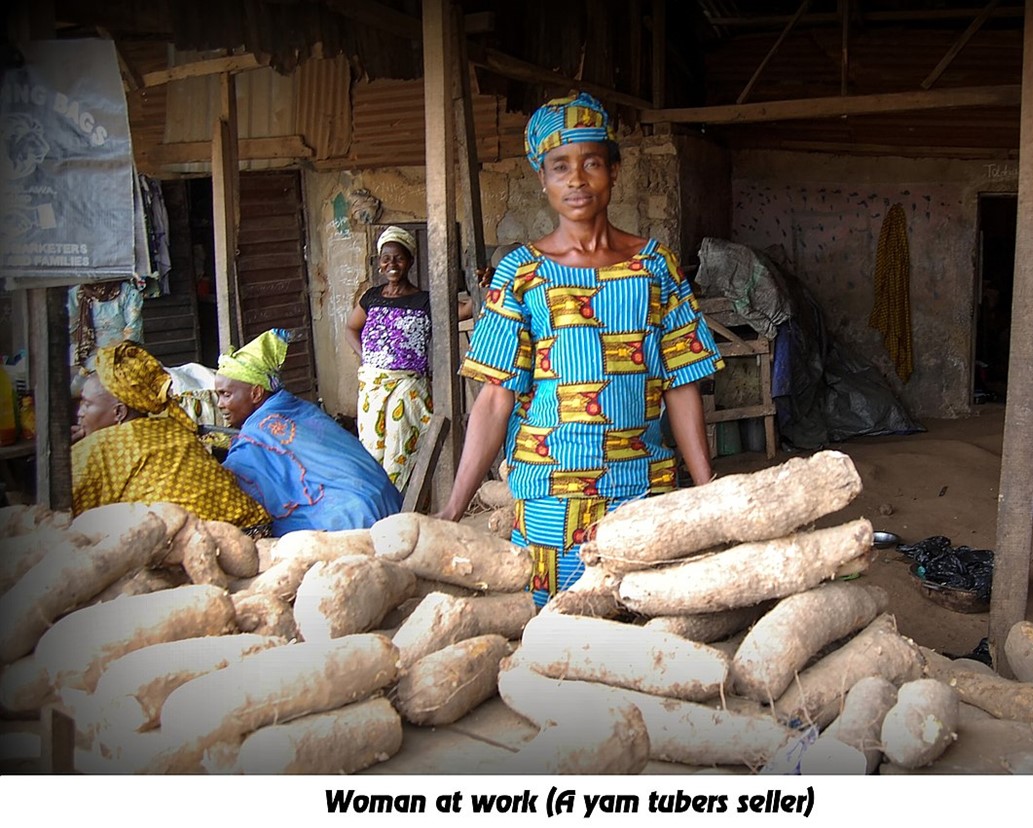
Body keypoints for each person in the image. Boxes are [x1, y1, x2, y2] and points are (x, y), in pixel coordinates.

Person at [434, 92, 724, 607]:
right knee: (554, 632)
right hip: (549, 492)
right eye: (559, 166)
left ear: (613, 170)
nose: (576, 179)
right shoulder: (520, 273)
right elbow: (496, 398)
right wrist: (452, 510)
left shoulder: (655, 266)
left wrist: (706, 494)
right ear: (542, 179)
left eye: (591, 162)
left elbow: (682, 381)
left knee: (642, 621)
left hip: (642, 485)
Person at [215, 328, 403, 536]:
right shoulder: (300, 409)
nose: (220, 405)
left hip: (358, 518)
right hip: (386, 501)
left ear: (256, 393)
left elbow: (227, 486)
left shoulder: (257, 434)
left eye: (226, 395)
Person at [71, 340, 270, 530]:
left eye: (87, 404)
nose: (79, 413)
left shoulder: (93, 450)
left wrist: (71, 453)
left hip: (196, 543)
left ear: (119, 413)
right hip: (255, 528)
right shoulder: (172, 428)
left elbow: (60, 516)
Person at [345, 226, 472, 492]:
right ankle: (377, 508)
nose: (392, 264)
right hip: (373, 386)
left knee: (401, 448)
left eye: (399, 258)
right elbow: (350, 328)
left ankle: (402, 508)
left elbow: (464, 311)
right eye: (386, 258)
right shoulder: (371, 297)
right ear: (379, 263)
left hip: (408, 386)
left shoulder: (424, 300)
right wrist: (364, 358)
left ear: (410, 262)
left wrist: (487, 285)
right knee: (370, 450)